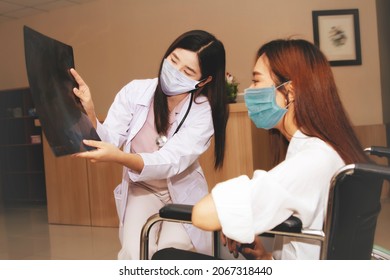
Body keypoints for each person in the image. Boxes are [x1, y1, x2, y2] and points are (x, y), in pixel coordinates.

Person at [191, 38, 369, 260]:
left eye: (256, 81)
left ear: (290, 92)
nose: (249, 91)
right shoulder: (328, 150)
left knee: (166, 257)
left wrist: (237, 209)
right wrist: (267, 258)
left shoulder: (312, 161)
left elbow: (202, 215)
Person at [70, 30, 229, 259]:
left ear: (203, 81)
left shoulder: (203, 111)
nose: (175, 72)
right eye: (174, 60)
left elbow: (170, 160)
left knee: (171, 252)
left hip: (181, 189)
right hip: (142, 187)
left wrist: (119, 157)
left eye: (188, 71)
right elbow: (110, 139)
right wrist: (91, 113)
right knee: (135, 253)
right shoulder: (136, 91)